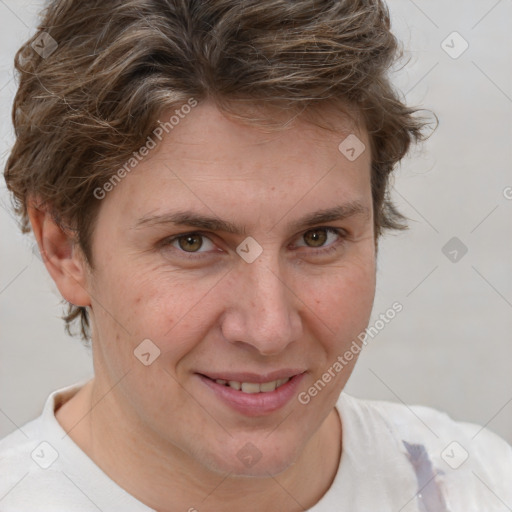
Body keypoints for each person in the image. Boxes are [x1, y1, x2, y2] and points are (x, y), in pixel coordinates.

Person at [1, 0, 511, 510]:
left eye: (318, 237)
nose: (270, 331)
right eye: (192, 242)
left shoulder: (478, 487)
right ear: (63, 248)